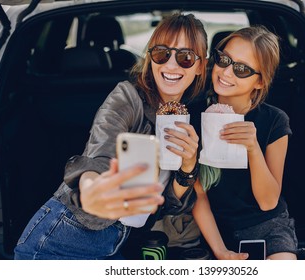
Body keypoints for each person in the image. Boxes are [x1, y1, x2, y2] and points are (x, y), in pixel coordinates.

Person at [14, 13, 208, 260]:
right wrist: (92, 189)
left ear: (201, 65)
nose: (171, 65)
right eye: (162, 53)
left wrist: (188, 167)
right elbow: (98, 155)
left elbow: (167, 203)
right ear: (151, 57)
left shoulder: (188, 118)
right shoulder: (127, 98)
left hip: (115, 246)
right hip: (59, 242)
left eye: (185, 57)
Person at [193, 26, 298, 260]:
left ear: (260, 82)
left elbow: (268, 201)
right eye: (224, 60)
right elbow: (198, 195)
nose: (226, 72)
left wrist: (252, 148)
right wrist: (221, 251)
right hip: (210, 228)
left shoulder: (274, 121)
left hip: (265, 225)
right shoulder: (194, 115)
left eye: (241, 69)